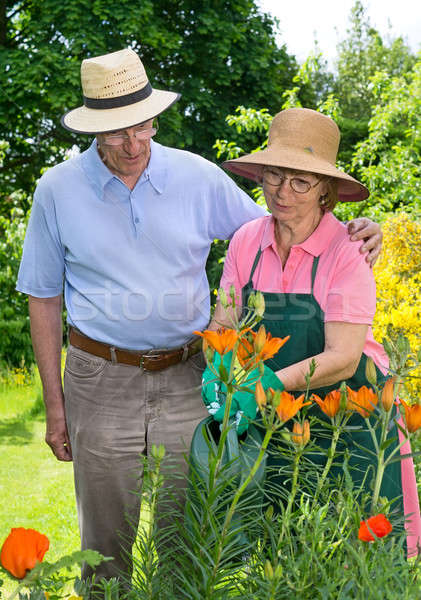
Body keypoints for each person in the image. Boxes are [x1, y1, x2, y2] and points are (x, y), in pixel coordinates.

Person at [16, 49, 382, 583]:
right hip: (98, 379)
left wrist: (359, 228)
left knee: (185, 538)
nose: (134, 144)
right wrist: (55, 408)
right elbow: (43, 300)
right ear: (94, 128)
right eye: (118, 133)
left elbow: (287, 219)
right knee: (105, 546)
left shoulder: (195, 176)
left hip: (188, 379)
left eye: (143, 127)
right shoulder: (56, 192)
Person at [203, 107, 421, 554]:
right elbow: (222, 324)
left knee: (358, 555)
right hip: (278, 424)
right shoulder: (246, 241)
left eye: (301, 182)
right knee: (279, 548)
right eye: (274, 176)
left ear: (326, 192)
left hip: (351, 418)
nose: (283, 192)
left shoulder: (348, 250)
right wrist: (218, 369)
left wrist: (263, 384)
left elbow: (342, 356)